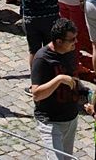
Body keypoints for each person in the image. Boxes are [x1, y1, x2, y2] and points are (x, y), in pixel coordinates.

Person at [31, 18, 84, 160]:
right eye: (72, 39)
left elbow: (75, 80)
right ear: (59, 41)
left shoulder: (70, 51)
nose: (76, 42)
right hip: (50, 121)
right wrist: (59, 79)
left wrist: (86, 96)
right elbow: (36, 94)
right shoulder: (42, 59)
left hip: (71, 118)